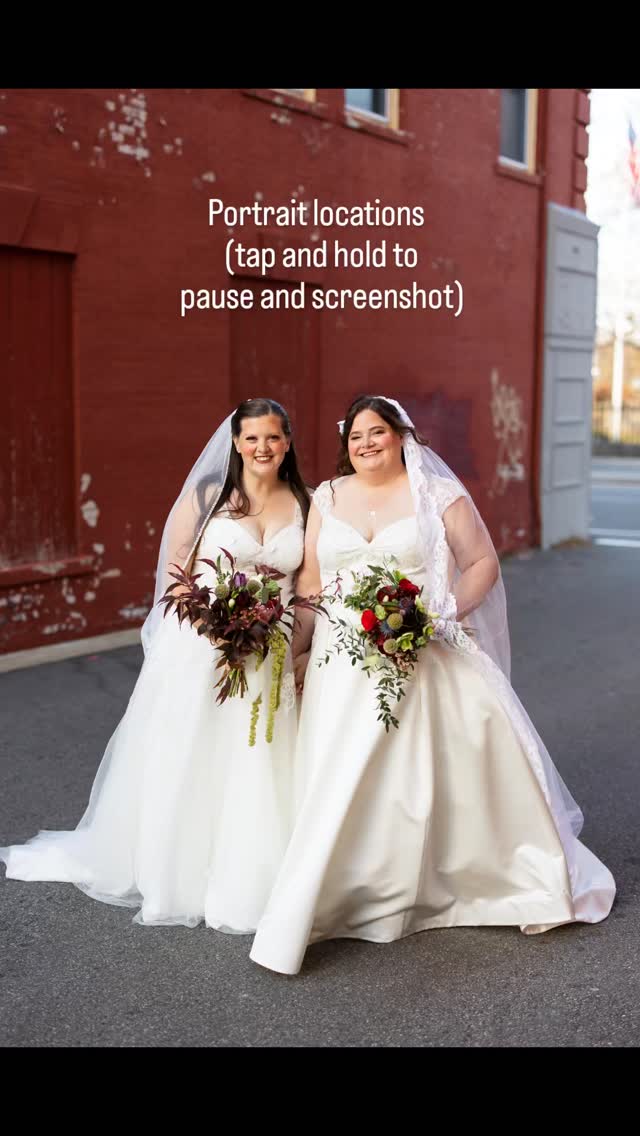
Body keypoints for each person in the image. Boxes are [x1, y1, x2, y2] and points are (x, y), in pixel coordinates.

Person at [249, 394, 616, 975]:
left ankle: (443, 880)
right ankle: (348, 889)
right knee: (344, 772)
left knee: (422, 770)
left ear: (401, 437)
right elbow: (314, 581)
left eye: (377, 432)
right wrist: (294, 649)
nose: (365, 443)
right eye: (355, 436)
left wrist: (441, 615)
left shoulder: (438, 495)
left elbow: (481, 563)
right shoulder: (328, 497)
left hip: (421, 642)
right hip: (341, 660)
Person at [1, 398, 309, 933]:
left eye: (274, 437)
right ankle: (179, 867)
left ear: (287, 442)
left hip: (270, 650)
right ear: (236, 443)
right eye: (252, 438)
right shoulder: (208, 496)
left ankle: (254, 868)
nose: (263, 448)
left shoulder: (304, 502)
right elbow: (175, 574)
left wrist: (292, 642)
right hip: (203, 644)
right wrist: (216, 625)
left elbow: (308, 588)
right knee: (194, 751)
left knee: (259, 760)